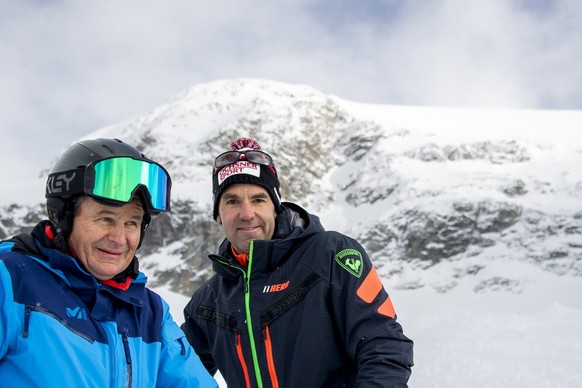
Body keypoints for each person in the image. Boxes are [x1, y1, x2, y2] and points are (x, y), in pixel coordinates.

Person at [181, 137, 414, 387]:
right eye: (232, 201)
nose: (247, 214)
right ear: (218, 214)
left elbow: (384, 347)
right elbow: (176, 374)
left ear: (275, 207)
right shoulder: (207, 303)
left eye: (259, 199)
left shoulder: (331, 255)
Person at [0, 138, 217, 387]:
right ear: (63, 217)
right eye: (105, 219)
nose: (118, 238)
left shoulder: (150, 313)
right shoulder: (11, 281)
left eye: (132, 223)